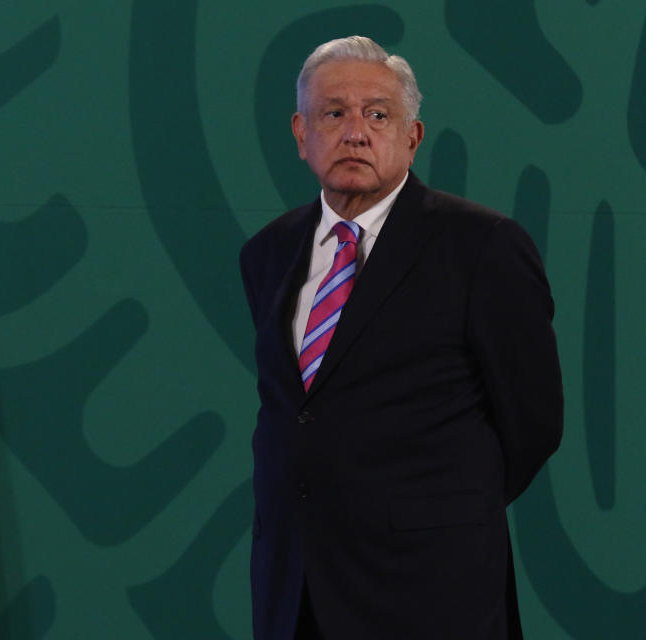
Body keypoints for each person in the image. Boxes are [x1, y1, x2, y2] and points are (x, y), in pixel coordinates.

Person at [239, 36, 563, 640]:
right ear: (300, 132)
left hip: (433, 592)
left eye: (378, 114)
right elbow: (295, 415)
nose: (355, 132)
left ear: (412, 137)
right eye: (334, 113)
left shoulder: (483, 247)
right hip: (294, 589)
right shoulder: (268, 254)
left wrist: (434, 515)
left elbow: (534, 423)